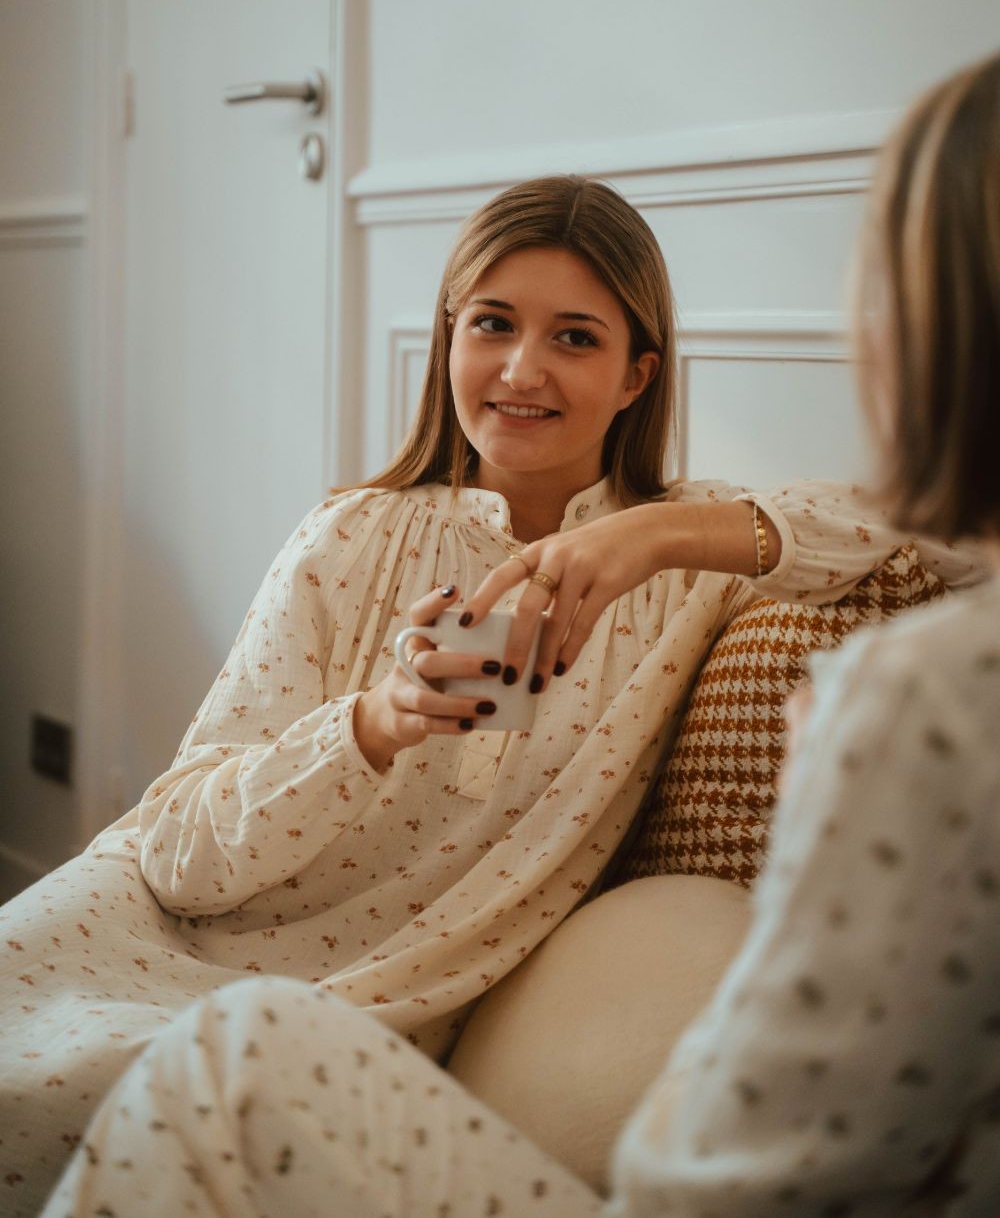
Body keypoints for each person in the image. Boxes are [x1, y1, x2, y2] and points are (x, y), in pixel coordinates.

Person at [2, 178, 979, 1216]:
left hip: (347, 1013)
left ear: (636, 375)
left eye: (574, 338)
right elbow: (177, 853)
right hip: (139, 935)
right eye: (493, 325)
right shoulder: (345, 538)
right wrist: (373, 726)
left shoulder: (686, 564)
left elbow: (951, 537)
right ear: (447, 338)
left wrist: (650, 534)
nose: (522, 369)